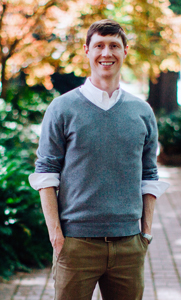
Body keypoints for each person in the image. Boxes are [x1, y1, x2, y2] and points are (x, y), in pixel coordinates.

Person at [29, 19, 169, 300]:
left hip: (129, 244)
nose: (107, 53)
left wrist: (146, 234)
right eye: (100, 46)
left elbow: (149, 176)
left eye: (114, 46)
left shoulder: (142, 112)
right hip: (76, 244)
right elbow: (46, 174)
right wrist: (57, 237)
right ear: (87, 51)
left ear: (125, 51)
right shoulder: (62, 108)